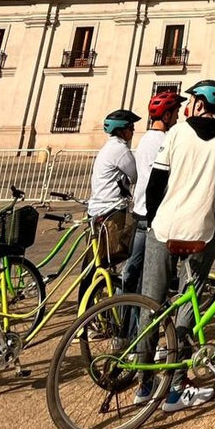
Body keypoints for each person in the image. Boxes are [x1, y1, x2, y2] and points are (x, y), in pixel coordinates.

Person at [137, 79, 215, 412]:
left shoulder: (177, 133)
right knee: (187, 308)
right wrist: (213, 225)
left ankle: (144, 384)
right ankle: (176, 388)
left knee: (150, 304)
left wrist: (154, 220)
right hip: (200, 233)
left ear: (199, 103)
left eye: (192, 99)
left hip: (164, 228)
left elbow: (155, 185)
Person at [122, 90, 182, 294]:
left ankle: (123, 309)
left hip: (139, 211)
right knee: (152, 278)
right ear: (166, 115)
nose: (177, 117)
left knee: (133, 270)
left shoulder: (145, 138)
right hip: (155, 216)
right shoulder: (166, 140)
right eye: (176, 113)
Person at [83, 109, 140, 301]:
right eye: (130, 127)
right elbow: (135, 174)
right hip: (110, 211)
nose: (133, 130)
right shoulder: (120, 150)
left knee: (95, 262)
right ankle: (95, 303)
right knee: (107, 259)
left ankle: (91, 302)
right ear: (121, 130)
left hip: (98, 209)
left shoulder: (109, 147)